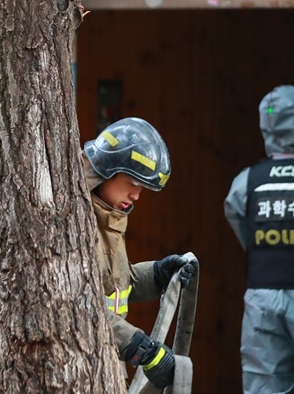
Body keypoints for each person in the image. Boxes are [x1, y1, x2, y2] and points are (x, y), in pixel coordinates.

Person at [224, 85, 294, 394]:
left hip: (262, 299)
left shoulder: (248, 180)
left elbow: (236, 216)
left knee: (264, 387)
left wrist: (266, 252)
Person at [83, 117, 196, 390]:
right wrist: (142, 349)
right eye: (132, 182)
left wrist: (158, 275)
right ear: (107, 170)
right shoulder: (76, 220)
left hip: (103, 367)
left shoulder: (108, 217)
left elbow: (115, 287)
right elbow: (82, 305)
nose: (136, 195)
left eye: (142, 187)